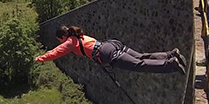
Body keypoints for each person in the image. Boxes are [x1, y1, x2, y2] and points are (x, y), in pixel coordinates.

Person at [34, 25, 187, 74]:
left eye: (59, 40)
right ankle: (171, 55)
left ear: (62, 37)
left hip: (106, 53)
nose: (61, 42)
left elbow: (55, 53)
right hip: (111, 44)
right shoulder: (79, 36)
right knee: (141, 57)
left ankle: (171, 64)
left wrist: (38, 59)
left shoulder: (70, 41)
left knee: (139, 65)